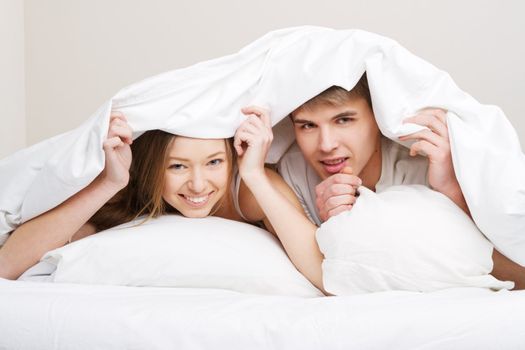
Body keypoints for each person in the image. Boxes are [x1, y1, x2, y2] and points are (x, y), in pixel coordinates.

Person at [0, 110, 320, 288]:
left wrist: (253, 175)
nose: (197, 185)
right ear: (154, 167)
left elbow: (322, 273)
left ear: (231, 159)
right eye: (178, 166)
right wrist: (109, 183)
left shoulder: (249, 190)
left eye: (213, 162)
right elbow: (7, 265)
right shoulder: (134, 193)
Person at [277, 73, 525, 289]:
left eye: (344, 120)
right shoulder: (292, 173)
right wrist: (331, 226)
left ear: (377, 118)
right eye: (308, 126)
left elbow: (518, 276)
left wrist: (452, 194)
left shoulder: (423, 165)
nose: (327, 144)